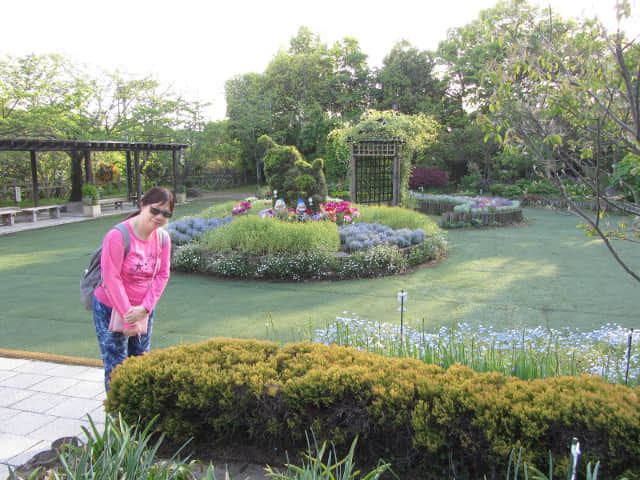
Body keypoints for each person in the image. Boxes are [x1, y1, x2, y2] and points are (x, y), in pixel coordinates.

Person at [92, 186, 174, 391]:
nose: (159, 217)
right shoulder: (118, 235)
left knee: (140, 361)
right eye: (155, 210)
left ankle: (137, 415)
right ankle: (117, 418)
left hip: (143, 309)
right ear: (143, 205)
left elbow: (163, 274)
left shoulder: (163, 238)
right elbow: (111, 277)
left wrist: (145, 308)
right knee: (116, 366)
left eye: (166, 214)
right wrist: (127, 314)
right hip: (111, 307)